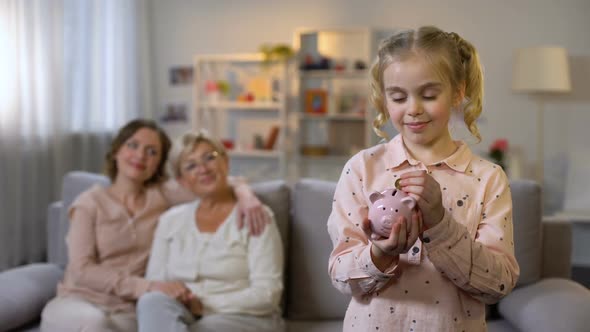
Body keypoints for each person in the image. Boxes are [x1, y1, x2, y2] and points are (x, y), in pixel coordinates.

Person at [327, 26, 520, 332]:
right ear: (384, 99)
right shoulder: (362, 169)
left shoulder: (487, 179)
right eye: (398, 97)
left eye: (429, 95)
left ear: (458, 91)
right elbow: (340, 275)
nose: (413, 109)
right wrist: (380, 253)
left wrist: (441, 224)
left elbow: (497, 284)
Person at [41, 119, 270, 332]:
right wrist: (147, 286)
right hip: (80, 300)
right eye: (133, 145)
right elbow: (81, 270)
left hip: (129, 310)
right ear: (117, 151)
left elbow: (213, 180)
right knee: (94, 322)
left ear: (158, 164)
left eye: (152, 152)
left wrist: (246, 195)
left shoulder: (163, 195)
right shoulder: (89, 203)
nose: (140, 155)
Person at [136, 130, 284, 332]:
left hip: (244, 316)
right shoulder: (170, 220)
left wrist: (204, 305)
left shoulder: (256, 215)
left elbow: (268, 294)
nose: (203, 169)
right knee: (151, 302)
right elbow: (156, 283)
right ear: (182, 181)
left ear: (225, 162)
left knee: (207, 328)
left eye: (209, 158)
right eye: (191, 165)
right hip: (182, 313)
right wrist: (175, 296)